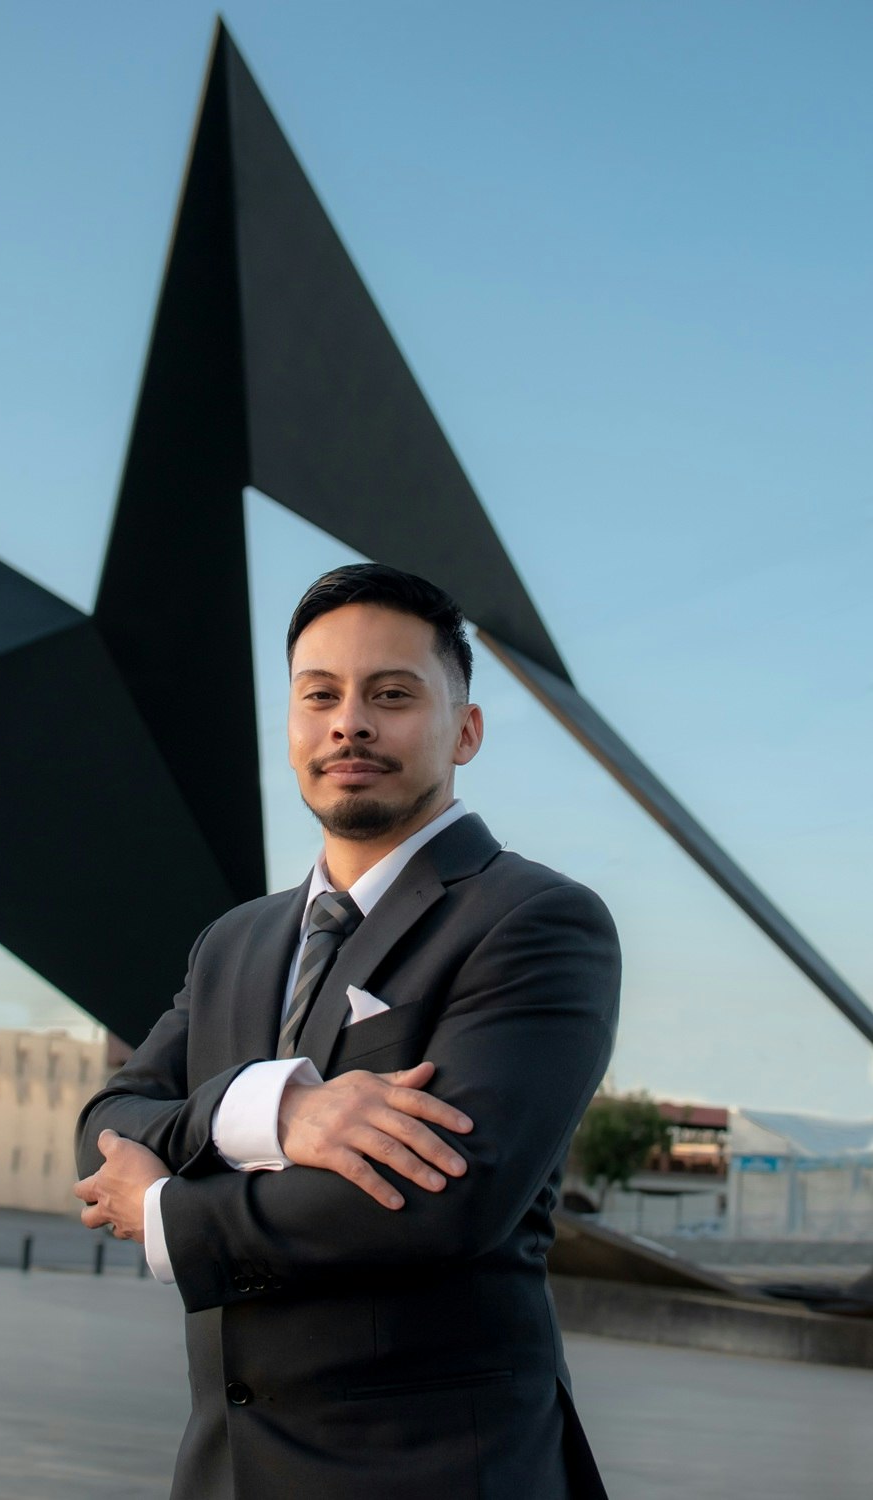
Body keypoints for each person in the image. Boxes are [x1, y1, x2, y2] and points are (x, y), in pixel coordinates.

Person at [74, 563, 621, 1500]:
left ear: (467, 730)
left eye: (393, 695)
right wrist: (276, 1114)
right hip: (226, 1473)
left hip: (438, 1474)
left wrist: (169, 1211)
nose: (349, 722)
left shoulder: (534, 921)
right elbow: (110, 1124)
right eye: (318, 695)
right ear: (290, 728)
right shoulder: (231, 943)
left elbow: (444, 1201)